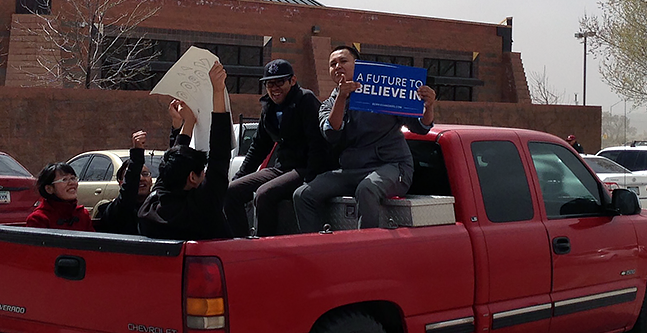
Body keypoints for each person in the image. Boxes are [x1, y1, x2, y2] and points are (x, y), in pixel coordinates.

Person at [293, 45, 436, 231]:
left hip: (392, 166)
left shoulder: (383, 92)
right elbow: (331, 132)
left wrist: (429, 105)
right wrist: (342, 99)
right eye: (332, 64)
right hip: (352, 170)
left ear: (358, 65)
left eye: (343, 61)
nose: (337, 66)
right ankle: (318, 247)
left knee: (366, 189)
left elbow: (421, 127)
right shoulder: (329, 103)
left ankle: (366, 246)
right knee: (302, 194)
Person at [223, 59, 331, 237]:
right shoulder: (269, 108)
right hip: (281, 168)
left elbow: (317, 144)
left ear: (292, 81)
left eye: (280, 82)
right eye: (269, 83)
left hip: (306, 169)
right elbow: (258, 147)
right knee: (230, 192)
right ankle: (240, 244)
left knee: (264, 194)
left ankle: (265, 248)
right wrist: (239, 177)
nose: (274, 88)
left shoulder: (305, 100)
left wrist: (310, 180)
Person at [137, 61, 233, 240]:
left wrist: (187, 123)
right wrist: (218, 91)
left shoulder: (149, 209)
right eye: (202, 172)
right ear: (192, 177)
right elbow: (220, 153)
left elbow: (171, 170)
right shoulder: (203, 206)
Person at [93, 130, 153, 235]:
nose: (141, 178)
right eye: (136, 175)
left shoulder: (156, 207)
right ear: (121, 183)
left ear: (151, 180)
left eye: (145, 174)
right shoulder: (116, 210)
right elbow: (128, 195)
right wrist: (137, 154)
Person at [26, 163, 94, 231]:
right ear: (49, 189)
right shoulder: (38, 219)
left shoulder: (82, 214)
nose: (72, 183)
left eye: (73, 178)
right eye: (64, 179)